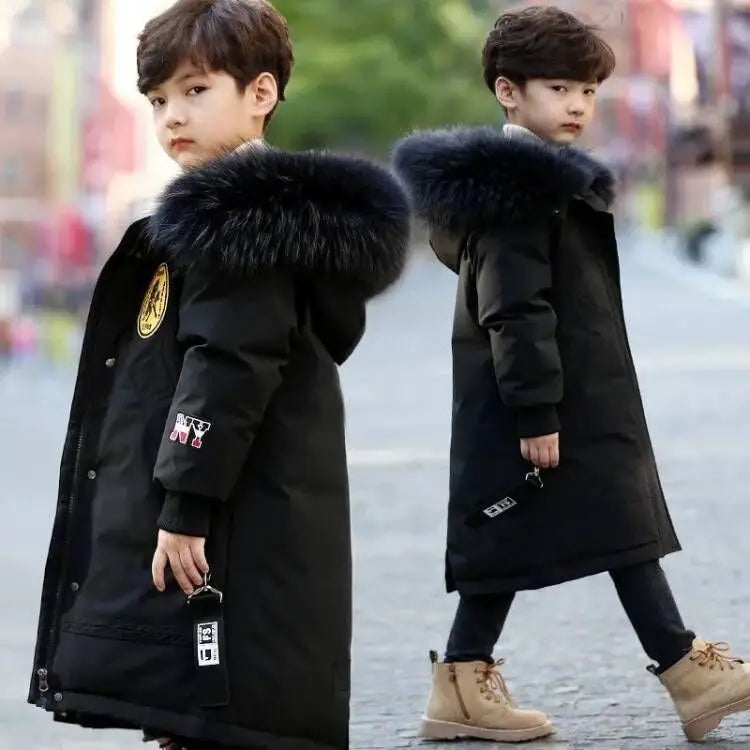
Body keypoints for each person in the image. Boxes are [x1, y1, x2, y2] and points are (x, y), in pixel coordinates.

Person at [28, 1, 410, 749]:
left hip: (229, 513)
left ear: (261, 93)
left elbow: (228, 365)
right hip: (249, 505)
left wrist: (186, 502)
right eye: (158, 99)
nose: (173, 115)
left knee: (221, 703)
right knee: (209, 710)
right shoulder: (232, 217)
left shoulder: (240, 221)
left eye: (196, 90)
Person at [393, 5, 750, 744]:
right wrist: (535, 410)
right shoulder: (520, 193)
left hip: (568, 396)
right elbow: (514, 309)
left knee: (547, 532)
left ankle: (464, 680)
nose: (579, 105)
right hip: (549, 404)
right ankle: (685, 667)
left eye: (588, 90)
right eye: (559, 88)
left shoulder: (533, 185)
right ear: (508, 91)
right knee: (614, 523)